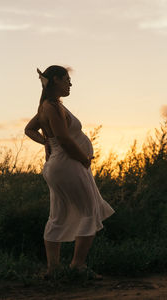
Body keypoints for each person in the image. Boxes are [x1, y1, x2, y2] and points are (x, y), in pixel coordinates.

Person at [24, 65, 115, 279]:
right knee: (89, 210)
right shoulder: (51, 107)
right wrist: (84, 159)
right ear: (55, 80)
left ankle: (54, 269)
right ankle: (78, 266)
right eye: (67, 79)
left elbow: (30, 129)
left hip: (61, 165)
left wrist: (46, 140)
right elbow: (64, 139)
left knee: (58, 214)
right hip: (68, 164)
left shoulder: (50, 106)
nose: (70, 84)